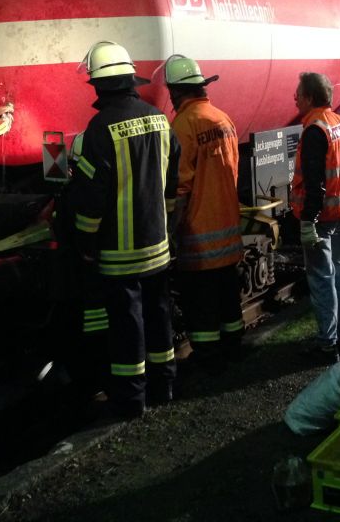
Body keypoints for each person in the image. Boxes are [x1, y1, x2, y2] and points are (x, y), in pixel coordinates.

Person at [64, 41, 180, 419]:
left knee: (127, 328)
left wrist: (84, 241)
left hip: (119, 255)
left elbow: (91, 198)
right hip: (158, 246)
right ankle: (165, 386)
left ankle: (132, 401)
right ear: (131, 79)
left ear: (98, 86)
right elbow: (171, 182)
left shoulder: (99, 129)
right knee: (159, 316)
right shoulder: (159, 118)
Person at [164, 55, 244, 374]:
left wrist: (171, 231)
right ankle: (234, 346)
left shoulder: (183, 125)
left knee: (201, 301)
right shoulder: (223, 119)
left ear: (175, 92)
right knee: (228, 295)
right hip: (227, 226)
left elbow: (181, 188)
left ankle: (208, 357)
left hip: (199, 236)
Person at [291, 72, 340, 364]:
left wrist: (307, 220)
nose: (295, 98)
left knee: (322, 279)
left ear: (310, 97)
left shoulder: (315, 129)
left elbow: (315, 182)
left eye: (298, 93)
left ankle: (327, 345)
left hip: (320, 217)